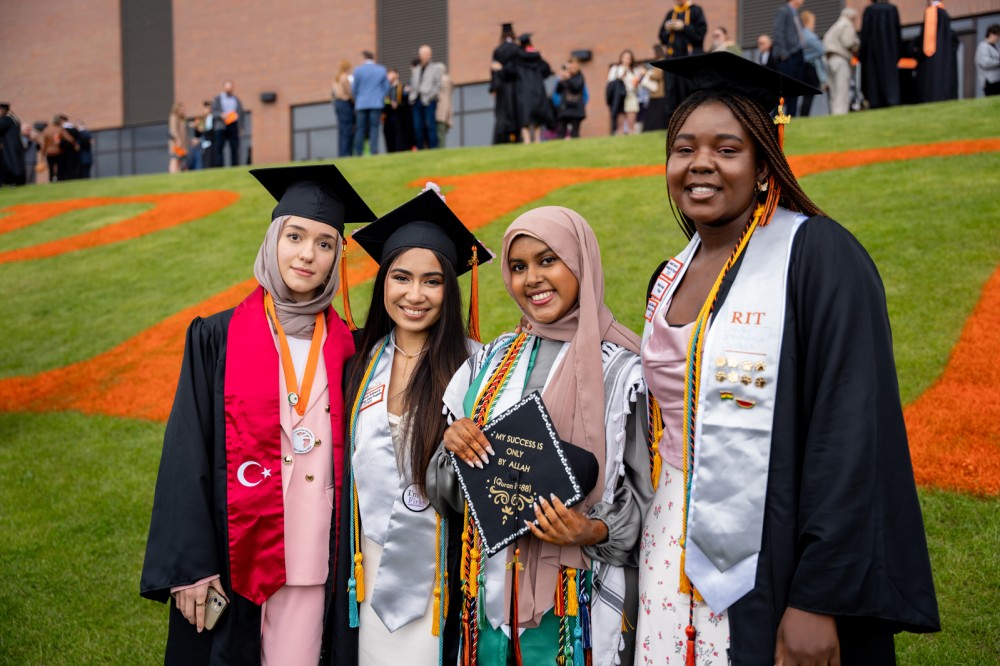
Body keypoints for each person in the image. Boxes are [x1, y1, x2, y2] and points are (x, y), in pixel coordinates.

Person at [637, 51, 940, 664]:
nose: (701, 165)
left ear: (764, 161)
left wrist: (818, 597)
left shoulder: (818, 256)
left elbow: (851, 434)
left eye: (727, 148)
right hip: (667, 542)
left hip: (773, 554)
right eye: (685, 147)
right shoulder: (668, 276)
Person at [140, 164, 378, 664]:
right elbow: (187, 454)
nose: (307, 254)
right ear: (273, 240)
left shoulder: (350, 349)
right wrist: (191, 567)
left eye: (325, 243)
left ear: (338, 256)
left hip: (314, 561)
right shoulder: (217, 337)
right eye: (295, 236)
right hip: (235, 557)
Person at [428, 206, 653, 666]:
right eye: (518, 266)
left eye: (548, 260)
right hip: (488, 600)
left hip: (579, 602)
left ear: (581, 262)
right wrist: (454, 447)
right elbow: (444, 491)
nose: (532, 278)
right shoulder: (489, 364)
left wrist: (593, 530)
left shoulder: (624, 372)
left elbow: (651, 500)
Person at [327, 185, 491, 666]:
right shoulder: (359, 362)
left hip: (442, 572)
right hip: (366, 566)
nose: (415, 295)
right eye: (401, 277)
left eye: (432, 281)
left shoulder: (477, 368)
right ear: (383, 283)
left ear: (451, 288)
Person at [658, 0, 708, 118]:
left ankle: (693, 118)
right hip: (672, 59)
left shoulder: (696, 10)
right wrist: (667, 29)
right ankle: (672, 123)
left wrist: (683, 27)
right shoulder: (671, 14)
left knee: (690, 89)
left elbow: (700, 35)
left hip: (690, 59)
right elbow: (662, 37)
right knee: (671, 91)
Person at [859, 0, 902, 108]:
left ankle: (875, 101)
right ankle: (891, 99)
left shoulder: (869, 10)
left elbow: (864, 34)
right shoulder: (892, 9)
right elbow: (897, 33)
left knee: (874, 76)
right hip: (890, 52)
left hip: (872, 53)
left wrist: (862, 54)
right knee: (889, 76)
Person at [913, 0, 958, 103]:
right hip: (945, 63)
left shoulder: (932, 12)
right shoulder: (945, 17)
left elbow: (928, 47)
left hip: (932, 62)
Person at [513, 34, 554, 144]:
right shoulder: (537, 58)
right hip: (537, 89)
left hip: (522, 89)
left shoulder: (516, 59)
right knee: (538, 114)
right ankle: (537, 139)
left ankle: (526, 139)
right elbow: (547, 70)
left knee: (523, 115)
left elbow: (510, 72)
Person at [772, 0, 808, 116]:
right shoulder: (783, 11)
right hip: (788, 57)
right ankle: (776, 117)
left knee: (795, 89)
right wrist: (784, 54)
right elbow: (778, 33)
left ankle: (792, 117)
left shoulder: (796, 13)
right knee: (785, 90)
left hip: (798, 55)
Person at [824, 8, 861, 115]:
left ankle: (835, 115)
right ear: (852, 17)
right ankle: (841, 115)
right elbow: (848, 42)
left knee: (834, 92)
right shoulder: (847, 25)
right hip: (840, 60)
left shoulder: (835, 25)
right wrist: (857, 44)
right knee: (842, 90)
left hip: (829, 60)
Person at [353, 50, 390, 156]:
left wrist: (358, 97)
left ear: (364, 58)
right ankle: (374, 151)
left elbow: (354, 88)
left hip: (361, 103)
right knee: (374, 127)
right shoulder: (381, 69)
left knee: (360, 128)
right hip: (376, 103)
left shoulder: (358, 70)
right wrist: (380, 96)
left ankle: (358, 153)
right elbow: (386, 87)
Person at [409, 45, 444, 150]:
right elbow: (413, 85)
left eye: (429, 53)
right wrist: (412, 96)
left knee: (430, 125)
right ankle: (420, 148)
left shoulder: (436, 68)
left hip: (429, 101)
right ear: (420, 55)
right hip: (416, 101)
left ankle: (434, 148)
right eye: (425, 53)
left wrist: (430, 96)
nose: (427, 55)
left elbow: (438, 85)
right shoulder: (416, 69)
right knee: (417, 126)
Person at [490, 22, 521, 144]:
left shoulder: (498, 50)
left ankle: (502, 140)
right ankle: (516, 138)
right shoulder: (517, 49)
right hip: (515, 86)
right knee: (515, 112)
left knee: (502, 114)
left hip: (502, 87)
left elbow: (494, 70)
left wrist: (493, 88)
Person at [607, 50, 645, 135]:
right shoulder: (615, 69)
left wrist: (639, 77)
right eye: (625, 58)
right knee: (620, 127)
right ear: (621, 58)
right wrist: (620, 77)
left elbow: (637, 87)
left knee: (631, 126)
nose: (627, 60)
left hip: (631, 96)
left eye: (629, 58)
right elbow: (610, 83)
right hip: (620, 98)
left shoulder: (634, 71)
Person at [798, 11, 826, 116]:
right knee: (809, 95)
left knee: (807, 95)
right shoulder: (808, 35)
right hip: (810, 68)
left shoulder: (801, 34)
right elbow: (822, 49)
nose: (814, 24)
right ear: (807, 22)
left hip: (806, 67)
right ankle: (804, 115)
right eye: (813, 22)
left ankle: (803, 115)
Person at [211, 80, 245, 167]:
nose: (229, 88)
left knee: (234, 146)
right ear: (224, 87)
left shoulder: (236, 100)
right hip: (221, 126)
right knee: (219, 147)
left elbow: (241, 114)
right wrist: (221, 115)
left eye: (230, 86)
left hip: (233, 125)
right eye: (227, 86)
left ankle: (235, 165)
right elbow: (213, 112)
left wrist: (241, 126)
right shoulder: (217, 99)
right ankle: (219, 166)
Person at [555, 57, 587, 138]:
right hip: (565, 107)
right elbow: (558, 90)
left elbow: (577, 88)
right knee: (561, 130)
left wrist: (568, 79)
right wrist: (561, 79)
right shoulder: (565, 77)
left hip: (576, 107)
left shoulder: (580, 77)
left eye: (574, 65)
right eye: (571, 65)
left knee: (575, 132)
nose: (572, 67)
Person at [383, 68, 413, 153]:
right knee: (389, 138)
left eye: (390, 73)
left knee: (399, 138)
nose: (388, 76)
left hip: (400, 118)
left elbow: (407, 104)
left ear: (396, 75)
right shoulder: (386, 90)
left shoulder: (403, 88)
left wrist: (398, 105)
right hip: (388, 117)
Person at [642, 45, 669, 132]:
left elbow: (658, 75)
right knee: (652, 115)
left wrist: (646, 73)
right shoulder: (657, 62)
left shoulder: (661, 61)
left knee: (656, 115)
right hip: (655, 94)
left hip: (659, 94)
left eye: (651, 52)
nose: (650, 54)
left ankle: (655, 129)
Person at [332, 60, 356, 158]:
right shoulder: (344, 77)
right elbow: (349, 92)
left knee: (342, 130)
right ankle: (347, 154)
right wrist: (354, 101)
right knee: (347, 129)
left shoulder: (335, 78)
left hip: (337, 104)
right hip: (345, 104)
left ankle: (342, 153)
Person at [0, 103, 26, 186]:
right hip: (14, 145)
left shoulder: (7, 119)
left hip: (9, 146)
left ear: (3, 110)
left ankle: (13, 181)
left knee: (11, 163)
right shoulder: (13, 118)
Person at [975, 24, 1000, 96]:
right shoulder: (983, 46)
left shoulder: (996, 48)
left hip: (997, 79)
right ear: (990, 34)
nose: (998, 38)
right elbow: (985, 63)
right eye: (997, 35)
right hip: (990, 81)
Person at [436, 64, 454, 147]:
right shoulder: (447, 80)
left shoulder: (443, 80)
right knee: (441, 134)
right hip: (443, 113)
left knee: (440, 135)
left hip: (439, 113)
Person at [168, 102, 187, 174]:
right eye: (180, 108)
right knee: (174, 158)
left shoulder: (182, 118)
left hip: (182, 144)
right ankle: (173, 173)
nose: (182, 109)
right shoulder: (174, 116)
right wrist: (177, 139)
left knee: (180, 159)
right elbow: (173, 130)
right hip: (176, 142)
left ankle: (178, 172)